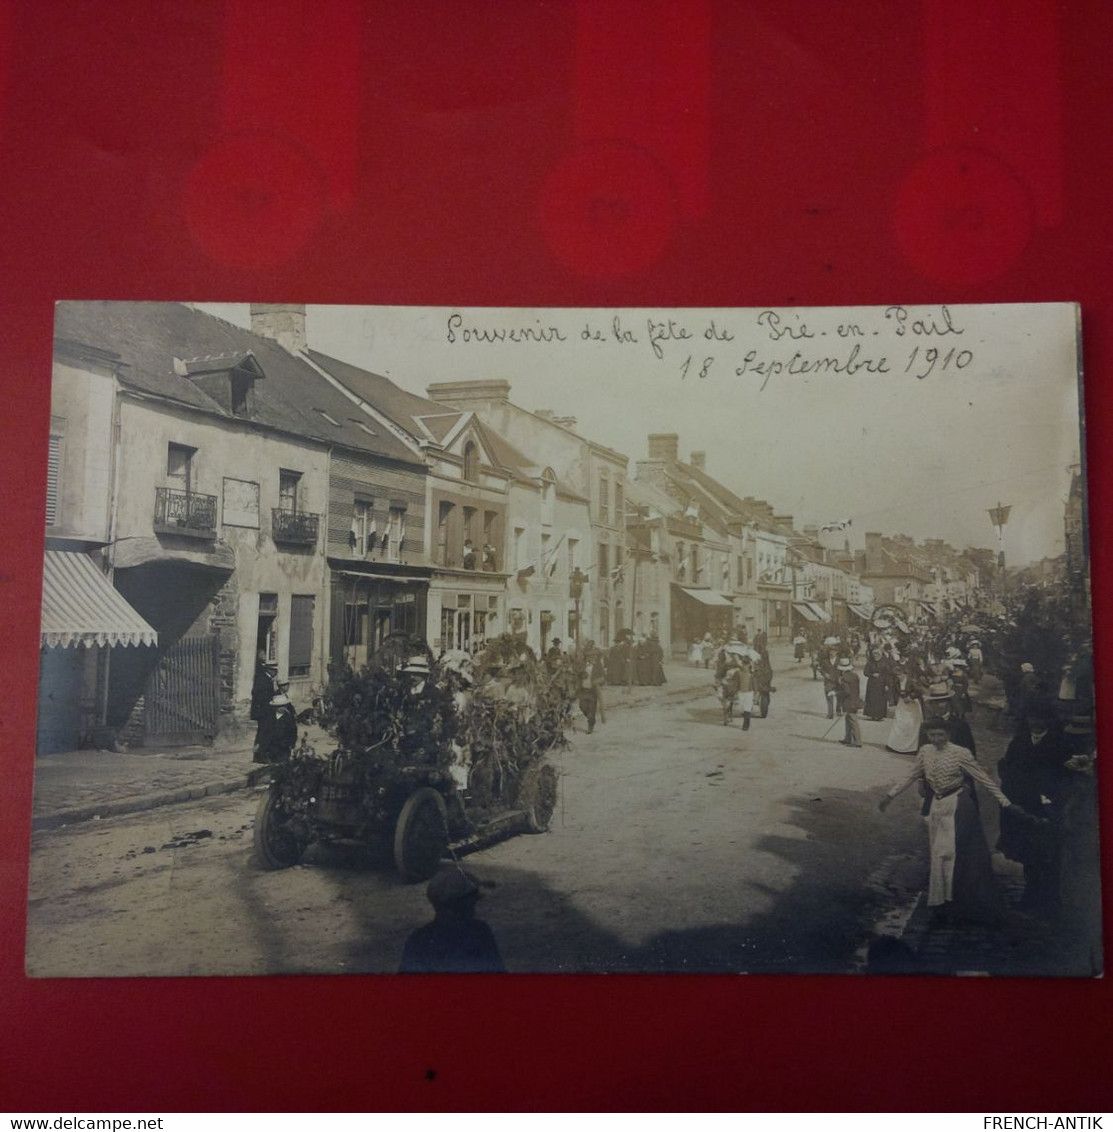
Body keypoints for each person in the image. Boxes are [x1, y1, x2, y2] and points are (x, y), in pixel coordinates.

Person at [879, 721, 1026, 923]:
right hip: (937, 806)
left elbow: (983, 778)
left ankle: (953, 903)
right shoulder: (925, 751)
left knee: (948, 853)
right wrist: (890, 795)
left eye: (941, 735)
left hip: (956, 804)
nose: (937, 739)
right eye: (932, 735)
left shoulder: (960, 753)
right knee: (937, 855)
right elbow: (911, 775)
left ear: (948, 734)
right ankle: (939, 902)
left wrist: (1006, 803)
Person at [997, 710, 1071, 914]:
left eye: (1040, 717)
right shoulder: (1019, 741)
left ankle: (1050, 902)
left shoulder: (1059, 744)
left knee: (1049, 856)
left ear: (1048, 719)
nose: (1035, 722)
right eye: (1032, 717)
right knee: (1029, 855)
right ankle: (1030, 897)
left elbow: (1067, 776)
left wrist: (1054, 799)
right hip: (1025, 806)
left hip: (1049, 807)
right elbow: (1006, 768)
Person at [398, 868, 505, 974]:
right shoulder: (480, 932)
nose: (473, 907)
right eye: (472, 902)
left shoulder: (418, 939)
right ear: (462, 906)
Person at [250, 654, 279, 760]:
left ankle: (261, 754)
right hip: (263, 711)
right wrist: (269, 701)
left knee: (264, 732)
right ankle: (260, 755)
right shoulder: (262, 679)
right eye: (275, 671)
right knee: (263, 732)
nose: (276, 673)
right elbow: (257, 694)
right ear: (270, 670)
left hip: (266, 711)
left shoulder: (267, 678)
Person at [258, 690, 297, 764]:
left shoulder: (289, 717)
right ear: (274, 707)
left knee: (282, 764)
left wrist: (292, 745)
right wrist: (261, 744)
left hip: (284, 746)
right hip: (272, 746)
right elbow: (264, 731)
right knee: (272, 764)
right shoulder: (269, 716)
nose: (282, 708)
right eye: (279, 706)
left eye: (283, 706)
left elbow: (293, 732)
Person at [577, 642, 607, 734]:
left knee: (592, 708)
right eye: (589, 656)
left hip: (593, 690)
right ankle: (590, 718)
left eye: (593, 656)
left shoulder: (598, 665)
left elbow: (603, 677)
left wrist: (597, 682)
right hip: (583, 689)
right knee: (582, 706)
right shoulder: (583, 665)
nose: (591, 658)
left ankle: (591, 725)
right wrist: (581, 675)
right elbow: (578, 674)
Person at [837, 657, 861, 747]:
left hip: (849, 701)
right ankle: (847, 738)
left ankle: (858, 741)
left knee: (852, 720)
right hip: (855, 699)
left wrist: (837, 693)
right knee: (848, 719)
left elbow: (846, 692)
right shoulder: (855, 675)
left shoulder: (844, 678)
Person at [863, 647, 889, 721]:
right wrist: (872, 674)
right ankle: (872, 715)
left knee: (881, 700)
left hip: (881, 683)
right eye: (874, 654)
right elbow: (865, 672)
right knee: (872, 699)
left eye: (877, 654)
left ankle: (880, 715)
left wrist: (887, 684)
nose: (876, 656)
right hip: (872, 684)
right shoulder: (870, 663)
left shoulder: (885, 663)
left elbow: (888, 674)